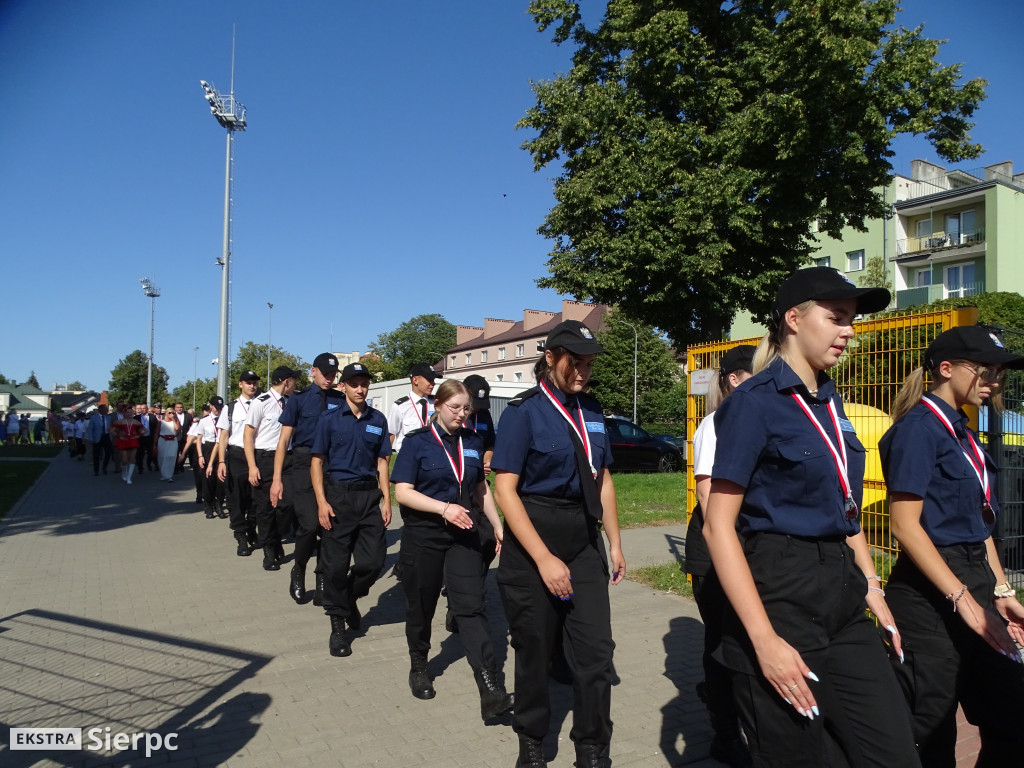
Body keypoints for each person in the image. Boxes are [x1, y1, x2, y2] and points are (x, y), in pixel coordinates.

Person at [703, 267, 919, 768]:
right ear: (794, 319)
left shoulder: (830, 401)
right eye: (837, 317)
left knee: (892, 751)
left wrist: (871, 584)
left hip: (841, 596)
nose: (849, 330)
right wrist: (764, 640)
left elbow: (843, 507)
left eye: (852, 320)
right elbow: (718, 526)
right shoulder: (754, 404)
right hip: (779, 594)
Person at [879, 325, 1024, 767]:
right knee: (932, 725)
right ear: (946, 369)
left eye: (999, 372)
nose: (994, 381)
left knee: (1014, 716)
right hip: (930, 595)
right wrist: (961, 598)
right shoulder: (918, 430)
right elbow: (905, 527)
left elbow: (979, 522)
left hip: (973, 577)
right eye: (985, 369)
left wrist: (1001, 591)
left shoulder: (961, 429)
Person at [491, 320, 626, 768]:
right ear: (550, 358)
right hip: (534, 540)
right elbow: (504, 490)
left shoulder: (593, 410)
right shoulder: (523, 412)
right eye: (576, 362)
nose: (584, 372)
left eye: (589, 364)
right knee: (533, 649)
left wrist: (616, 542)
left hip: (582, 541)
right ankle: (531, 741)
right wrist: (544, 558)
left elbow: (602, 478)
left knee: (595, 654)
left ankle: (592, 749)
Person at [393, 379, 513, 720]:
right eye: (455, 407)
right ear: (437, 406)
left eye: (466, 409)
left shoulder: (473, 442)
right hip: (424, 535)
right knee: (422, 605)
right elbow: (402, 492)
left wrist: (499, 524)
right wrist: (443, 508)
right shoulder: (417, 443)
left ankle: (491, 689)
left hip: (463, 537)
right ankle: (419, 664)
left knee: (471, 608)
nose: (461, 415)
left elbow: (481, 489)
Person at [685, 345, 756, 768]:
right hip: (716, 548)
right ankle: (724, 733)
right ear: (733, 379)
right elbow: (710, 501)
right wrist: (737, 552)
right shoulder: (715, 425)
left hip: (744, 544)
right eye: (756, 373)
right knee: (722, 640)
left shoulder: (755, 421)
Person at [310, 363, 392, 657]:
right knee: (334, 567)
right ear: (342, 386)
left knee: (373, 562)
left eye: (364, 384)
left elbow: (383, 461)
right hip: (338, 497)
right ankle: (338, 628)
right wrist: (321, 501)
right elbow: (317, 461)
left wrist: (387, 499)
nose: (360, 389)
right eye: (354, 384)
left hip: (369, 497)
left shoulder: (378, 419)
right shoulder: (329, 420)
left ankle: (347, 597)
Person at [272, 353, 345, 604]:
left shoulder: (340, 399)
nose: (329, 378)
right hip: (302, 465)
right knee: (310, 524)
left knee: (329, 526)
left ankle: (322, 577)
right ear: (313, 371)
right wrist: (277, 478)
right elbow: (283, 442)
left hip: (331, 466)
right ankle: (299, 568)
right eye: (325, 373)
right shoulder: (299, 401)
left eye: (333, 374)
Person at [244, 366, 298, 571]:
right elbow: (248, 436)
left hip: (288, 459)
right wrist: (252, 466)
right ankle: (269, 550)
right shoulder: (261, 403)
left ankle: (276, 537)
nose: (296, 385)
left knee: (288, 504)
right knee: (265, 508)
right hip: (265, 458)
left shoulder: (293, 402)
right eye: (294, 380)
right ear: (286, 381)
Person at [216, 371, 262, 556]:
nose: (252, 386)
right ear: (240, 384)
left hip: (257, 454)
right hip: (236, 455)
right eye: (248, 383)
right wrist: (221, 461)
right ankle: (240, 535)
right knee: (236, 498)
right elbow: (224, 436)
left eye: (254, 383)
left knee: (256, 496)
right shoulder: (231, 408)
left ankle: (251, 527)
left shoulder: (262, 404)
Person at [388, 363, 440, 451]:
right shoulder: (400, 406)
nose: (433, 383)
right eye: (429, 379)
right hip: (408, 457)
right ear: (415, 380)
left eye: (433, 380)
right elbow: (390, 435)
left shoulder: (437, 404)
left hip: (432, 456)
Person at [197, 396, 226, 518]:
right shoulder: (204, 421)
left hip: (221, 448)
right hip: (208, 448)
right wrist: (200, 455)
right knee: (208, 480)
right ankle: (208, 506)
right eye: (216, 407)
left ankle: (219, 505)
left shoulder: (224, 419)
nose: (218, 410)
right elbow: (199, 439)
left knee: (221, 480)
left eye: (220, 407)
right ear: (211, 406)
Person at [111, 402, 147, 485]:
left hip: (133, 440)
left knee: (132, 458)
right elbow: (111, 429)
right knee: (124, 459)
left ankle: (129, 477)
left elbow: (145, 430)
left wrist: (138, 435)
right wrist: (119, 435)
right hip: (123, 440)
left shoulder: (135, 422)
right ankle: (124, 472)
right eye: (128, 412)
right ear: (124, 413)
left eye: (131, 412)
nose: (130, 414)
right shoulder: (120, 421)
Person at [181, 405, 210, 505]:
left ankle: (209, 495)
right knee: (198, 474)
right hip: (197, 451)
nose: (208, 413)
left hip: (210, 450)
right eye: (206, 411)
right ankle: (199, 493)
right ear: (202, 412)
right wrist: (183, 454)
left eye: (209, 411)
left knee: (209, 475)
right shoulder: (198, 423)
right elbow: (190, 439)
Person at [87, 404, 114, 476]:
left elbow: (111, 427)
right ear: (100, 410)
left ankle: (104, 467)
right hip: (97, 437)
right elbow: (90, 428)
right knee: (96, 455)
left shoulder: (109, 418)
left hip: (106, 436)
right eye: (105, 409)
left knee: (108, 452)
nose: (107, 411)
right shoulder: (93, 418)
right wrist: (91, 438)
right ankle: (96, 470)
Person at [155, 409, 179, 481]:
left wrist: (173, 419)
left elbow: (177, 428)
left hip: (172, 441)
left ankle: (169, 476)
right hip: (163, 440)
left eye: (173, 412)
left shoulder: (176, 421)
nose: (171, 414)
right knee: (162, 457)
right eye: (169, 412)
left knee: (171, 457)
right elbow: (157, 433)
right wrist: (154, 444)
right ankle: (163, 474)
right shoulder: (161, 422)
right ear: (166, 413)